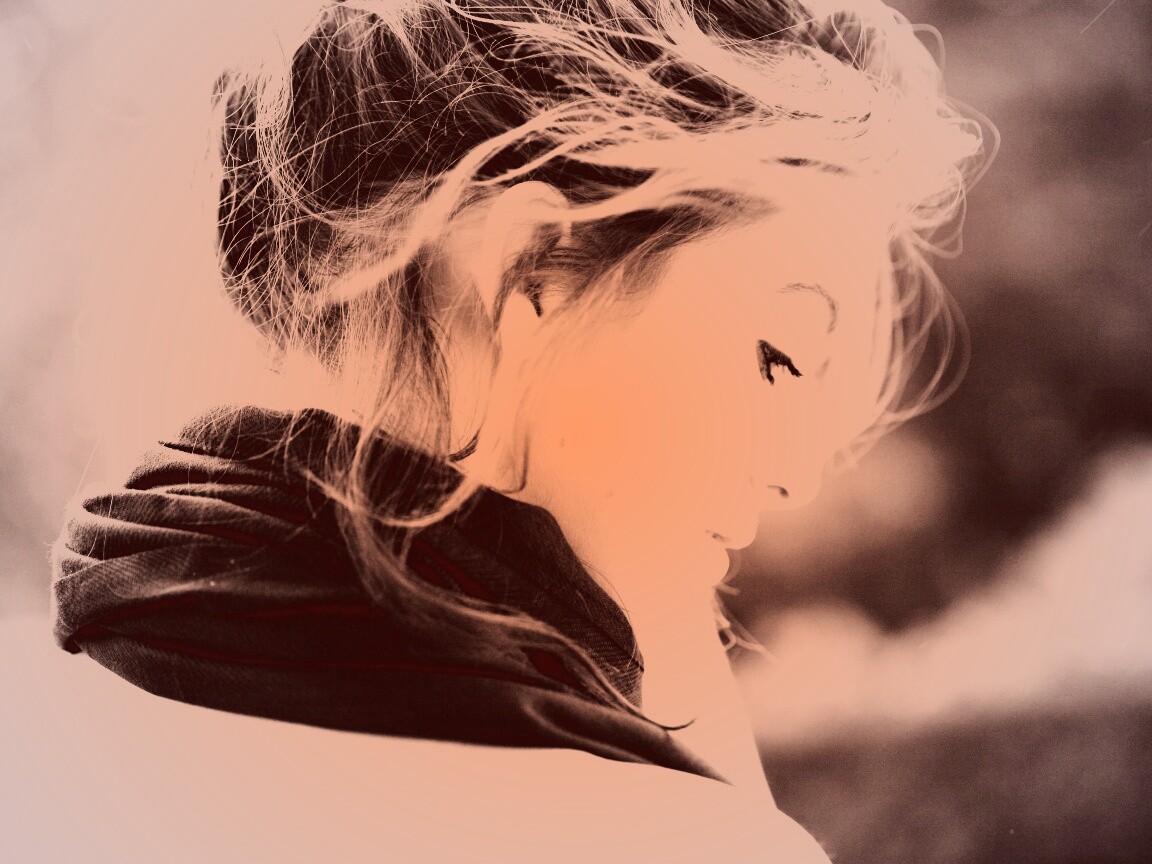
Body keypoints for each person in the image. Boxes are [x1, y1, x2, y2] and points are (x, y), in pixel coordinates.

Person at [48, 0, 988, 859]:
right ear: (531, 268)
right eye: (776, 355)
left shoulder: (57, 730)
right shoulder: (653, 836)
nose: (797, 472)